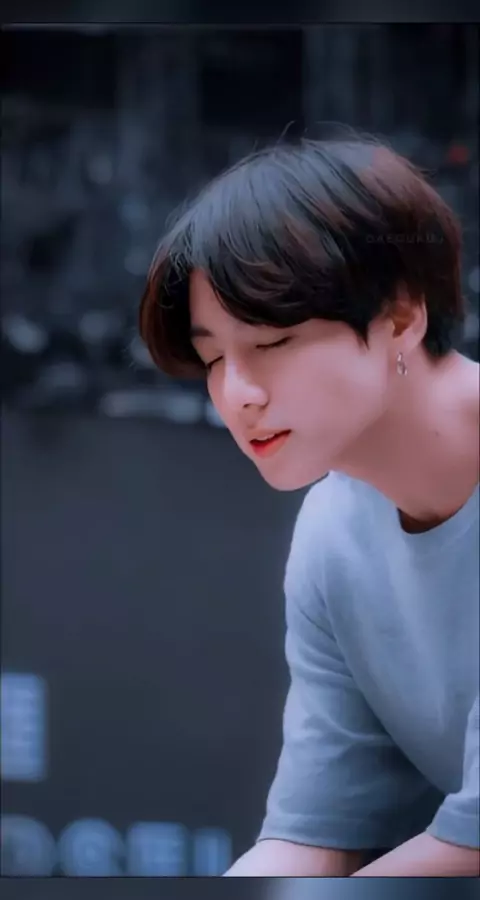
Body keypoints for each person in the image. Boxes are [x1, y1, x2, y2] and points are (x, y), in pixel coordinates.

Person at [138, 133, 479, 877]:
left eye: (274, 341)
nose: (238, 394)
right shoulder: (333, 535)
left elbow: (469, 846)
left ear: (400, 316)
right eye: (214, 357)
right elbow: (315, 834)